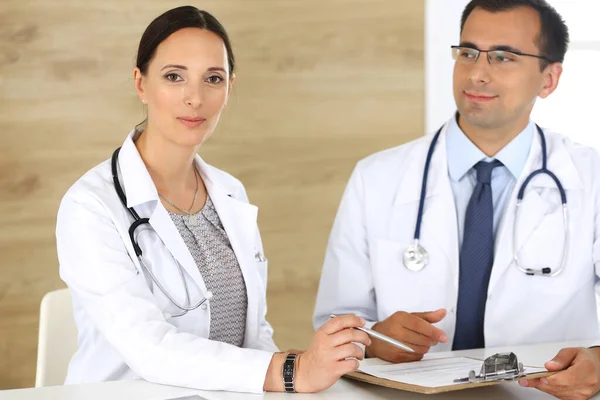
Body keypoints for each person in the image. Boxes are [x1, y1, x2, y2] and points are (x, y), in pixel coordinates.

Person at [56, 6, 369, 394]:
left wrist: (301, 373)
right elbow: (149, 349)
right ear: (141, 84)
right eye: (174, 77)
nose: (195, 98)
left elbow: (253, 335)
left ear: (229, 89)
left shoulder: (229, 193)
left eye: (213, 79)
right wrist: (291, 371)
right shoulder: (90, 207)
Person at [313, 0, 600, 398]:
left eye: (503, 56)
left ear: (549, 79)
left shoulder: (591, 177)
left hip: (542, 394)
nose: (477, 73)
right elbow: (335, 320)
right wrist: (376, 338)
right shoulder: (377, 176)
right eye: (467, 52)